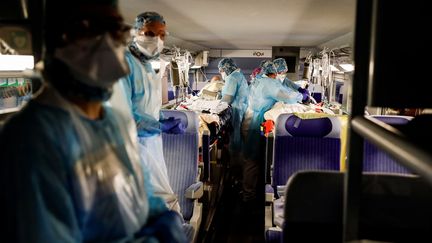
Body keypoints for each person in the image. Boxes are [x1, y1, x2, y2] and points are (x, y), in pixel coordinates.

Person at [0, 1, 186, 242]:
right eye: (92, 28)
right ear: (61, 39)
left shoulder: (115, 124)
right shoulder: (31, 141)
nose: (110, 39)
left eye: (115, 28)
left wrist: (159, 216)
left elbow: (136, 194)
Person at [119, 12, 181, 213]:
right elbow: (122, 117)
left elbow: (147, 106)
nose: (157, 39)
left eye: (162, 34)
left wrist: (161, 119)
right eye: (149, 33)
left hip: (152, 145)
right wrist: (158, 125)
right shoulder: (123, 65)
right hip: (131, 149)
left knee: (163, 205)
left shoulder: (147, 66)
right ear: (136, 33)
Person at [241, 60, 302, 205]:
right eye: (280, 73)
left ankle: (251, 191)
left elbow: (284, 87)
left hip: (253, 119)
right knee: (253, 160)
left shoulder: (261, 80)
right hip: (255, 123)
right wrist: (301, 96)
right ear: (274, 73)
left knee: (254, 159)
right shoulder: (269, 83)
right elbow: (286, 96)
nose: (281, 76)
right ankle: (248, 195)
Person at [218, 58, 249, 152]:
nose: (221, 73)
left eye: (221, 71)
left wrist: (216, 105)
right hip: (241, 107)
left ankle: (235, 157)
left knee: (235, 133)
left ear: (226, 68)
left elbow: (228, 99)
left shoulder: (232, 77)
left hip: (236, 109)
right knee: (237, 132)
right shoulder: (238, 75)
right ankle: (236, 155)